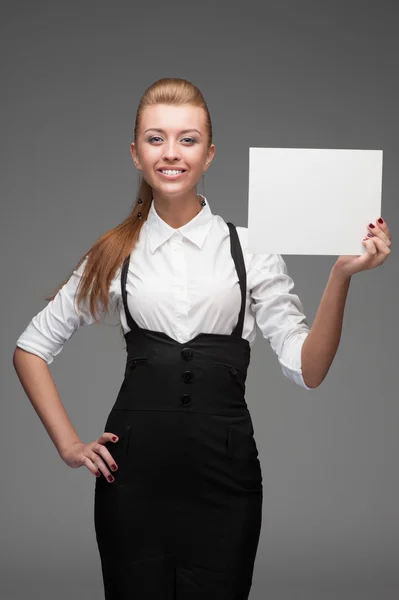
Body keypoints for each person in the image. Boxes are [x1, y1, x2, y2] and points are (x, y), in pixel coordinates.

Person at [13, 77, 392, 599]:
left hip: (226, 478)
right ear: (135, 153)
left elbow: (309, 370)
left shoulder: (253, 250)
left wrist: (341, 275)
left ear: (210, 154)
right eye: (156, 138)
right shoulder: (113, 253)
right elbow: (31, 348)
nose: (171, 153)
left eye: (187, 139)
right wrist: (69, 446)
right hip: (133, 479)